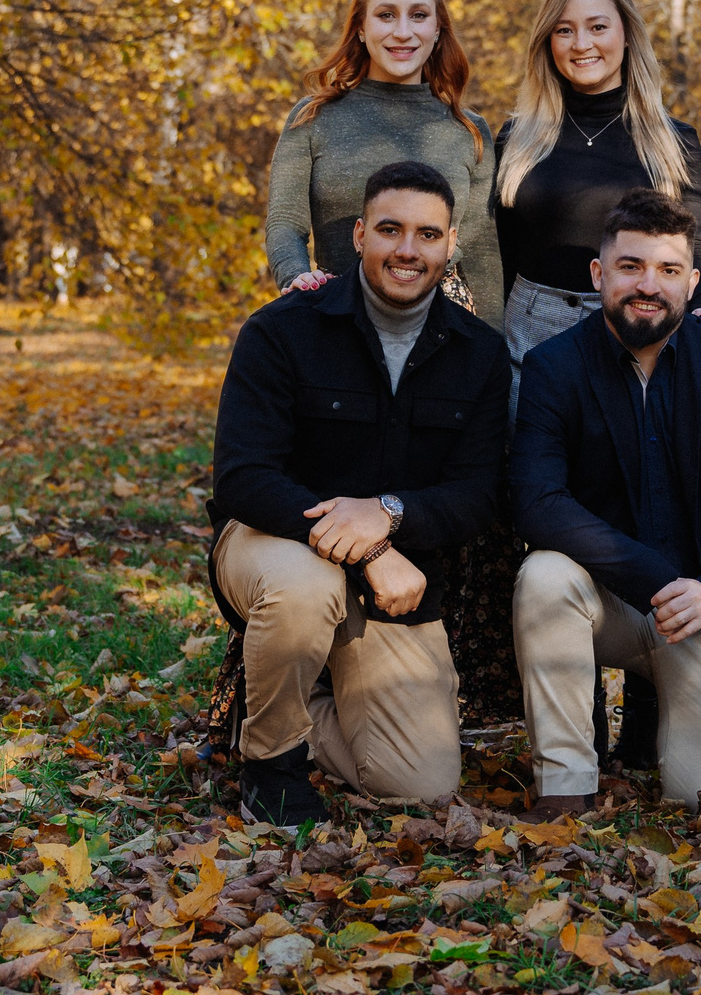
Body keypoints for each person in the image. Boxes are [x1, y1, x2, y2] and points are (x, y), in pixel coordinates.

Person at [207, 161, 513, 825]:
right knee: (305, 588)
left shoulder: (479, 353)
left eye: (427, 234)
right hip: (270, 541)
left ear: (450, 244)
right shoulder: (283, 329)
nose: (409, 249)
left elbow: (477, 493)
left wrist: (391, 516)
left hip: (394, 572)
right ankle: (271, 763)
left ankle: (281, 701)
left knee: (418, 782)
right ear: (357, 237)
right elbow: (242, 476)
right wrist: (368, 550)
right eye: (390, 230)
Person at [509, 189, 701, 817]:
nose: (648, 285)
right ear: (599, 274)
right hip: (606, 602)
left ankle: (671, 717)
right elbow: (539, 503)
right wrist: (659, 580)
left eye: (668, 271)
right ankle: (566, 787)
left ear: (692, 281)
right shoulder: (552, 368)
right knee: (543, 576)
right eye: (630, 266)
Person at [492, 0, 701, 403]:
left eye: (597, 26)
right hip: (528, 338)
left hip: (639, 331)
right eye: (564, 30)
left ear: (626, 33)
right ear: (548, 43)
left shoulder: (674, 141)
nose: (581, 44)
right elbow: (500, 253)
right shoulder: (517, 138)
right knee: (533, 467)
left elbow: (693, 243)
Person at [267, 0, 503, 324]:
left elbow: (481, 256)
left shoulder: (468, 130)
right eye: (386, 15)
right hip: (336, 314)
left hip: (440, 326)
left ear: (438, 27)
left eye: (419, 15)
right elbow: (285, 222)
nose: (403, 31)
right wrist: (298, 278)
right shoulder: (313, 117)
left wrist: (494, 355)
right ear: (361, 26)